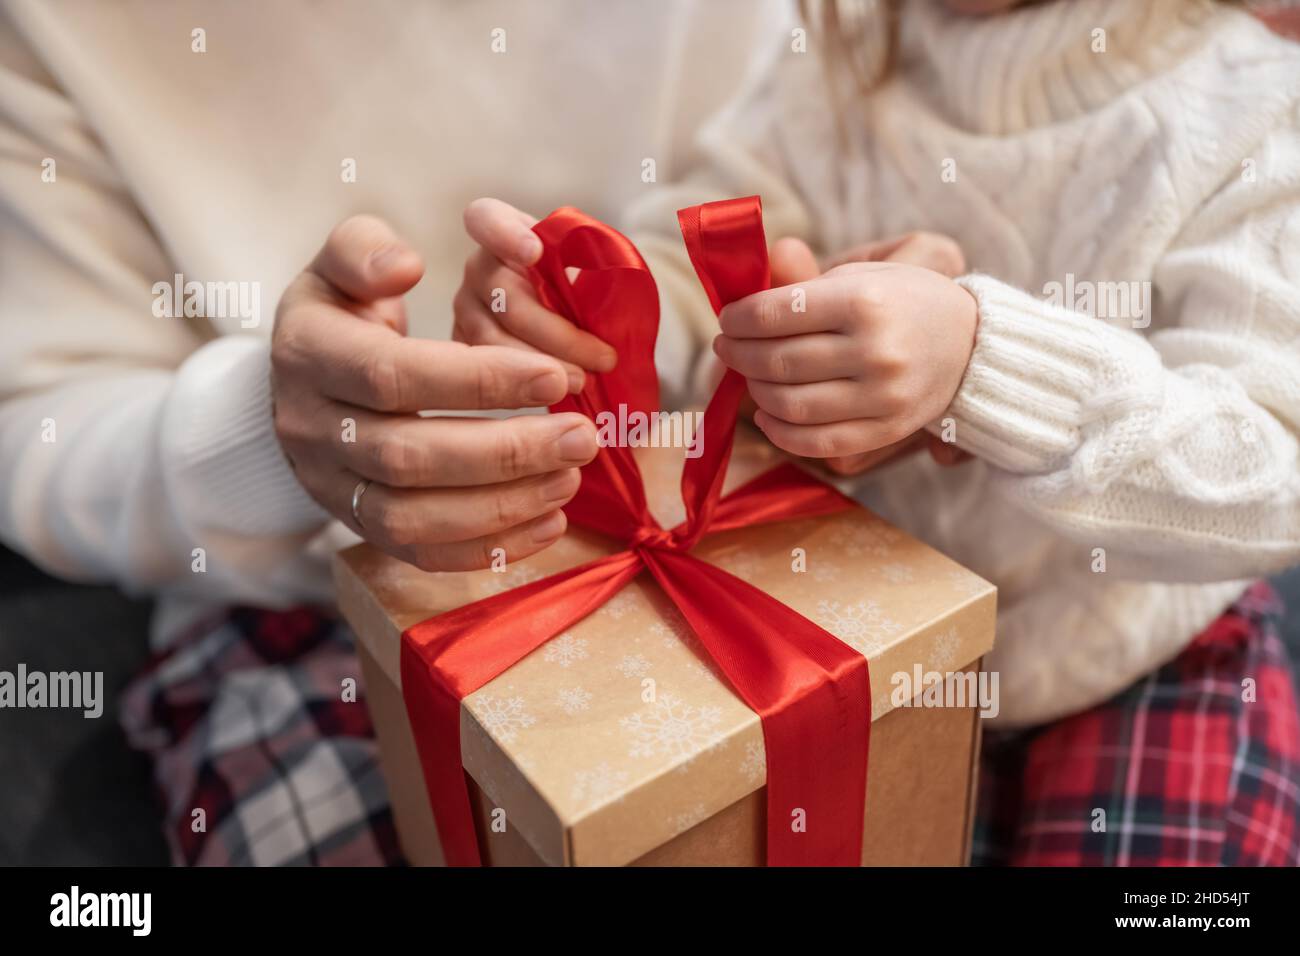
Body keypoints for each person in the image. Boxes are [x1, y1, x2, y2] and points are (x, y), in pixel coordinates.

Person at [459, 0, 1300, 865]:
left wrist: (979, 360)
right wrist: (598, 312)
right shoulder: (843, 44)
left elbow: (1269, 471)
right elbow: (704, 247)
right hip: (871, 627)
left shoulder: (1257, 104)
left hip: (1133, 655)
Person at [0, 0, 789, 864]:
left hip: (699, 501)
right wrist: (267, 436)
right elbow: (37, 426)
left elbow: (785, 176)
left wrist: (661, 331)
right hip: (290, 608)